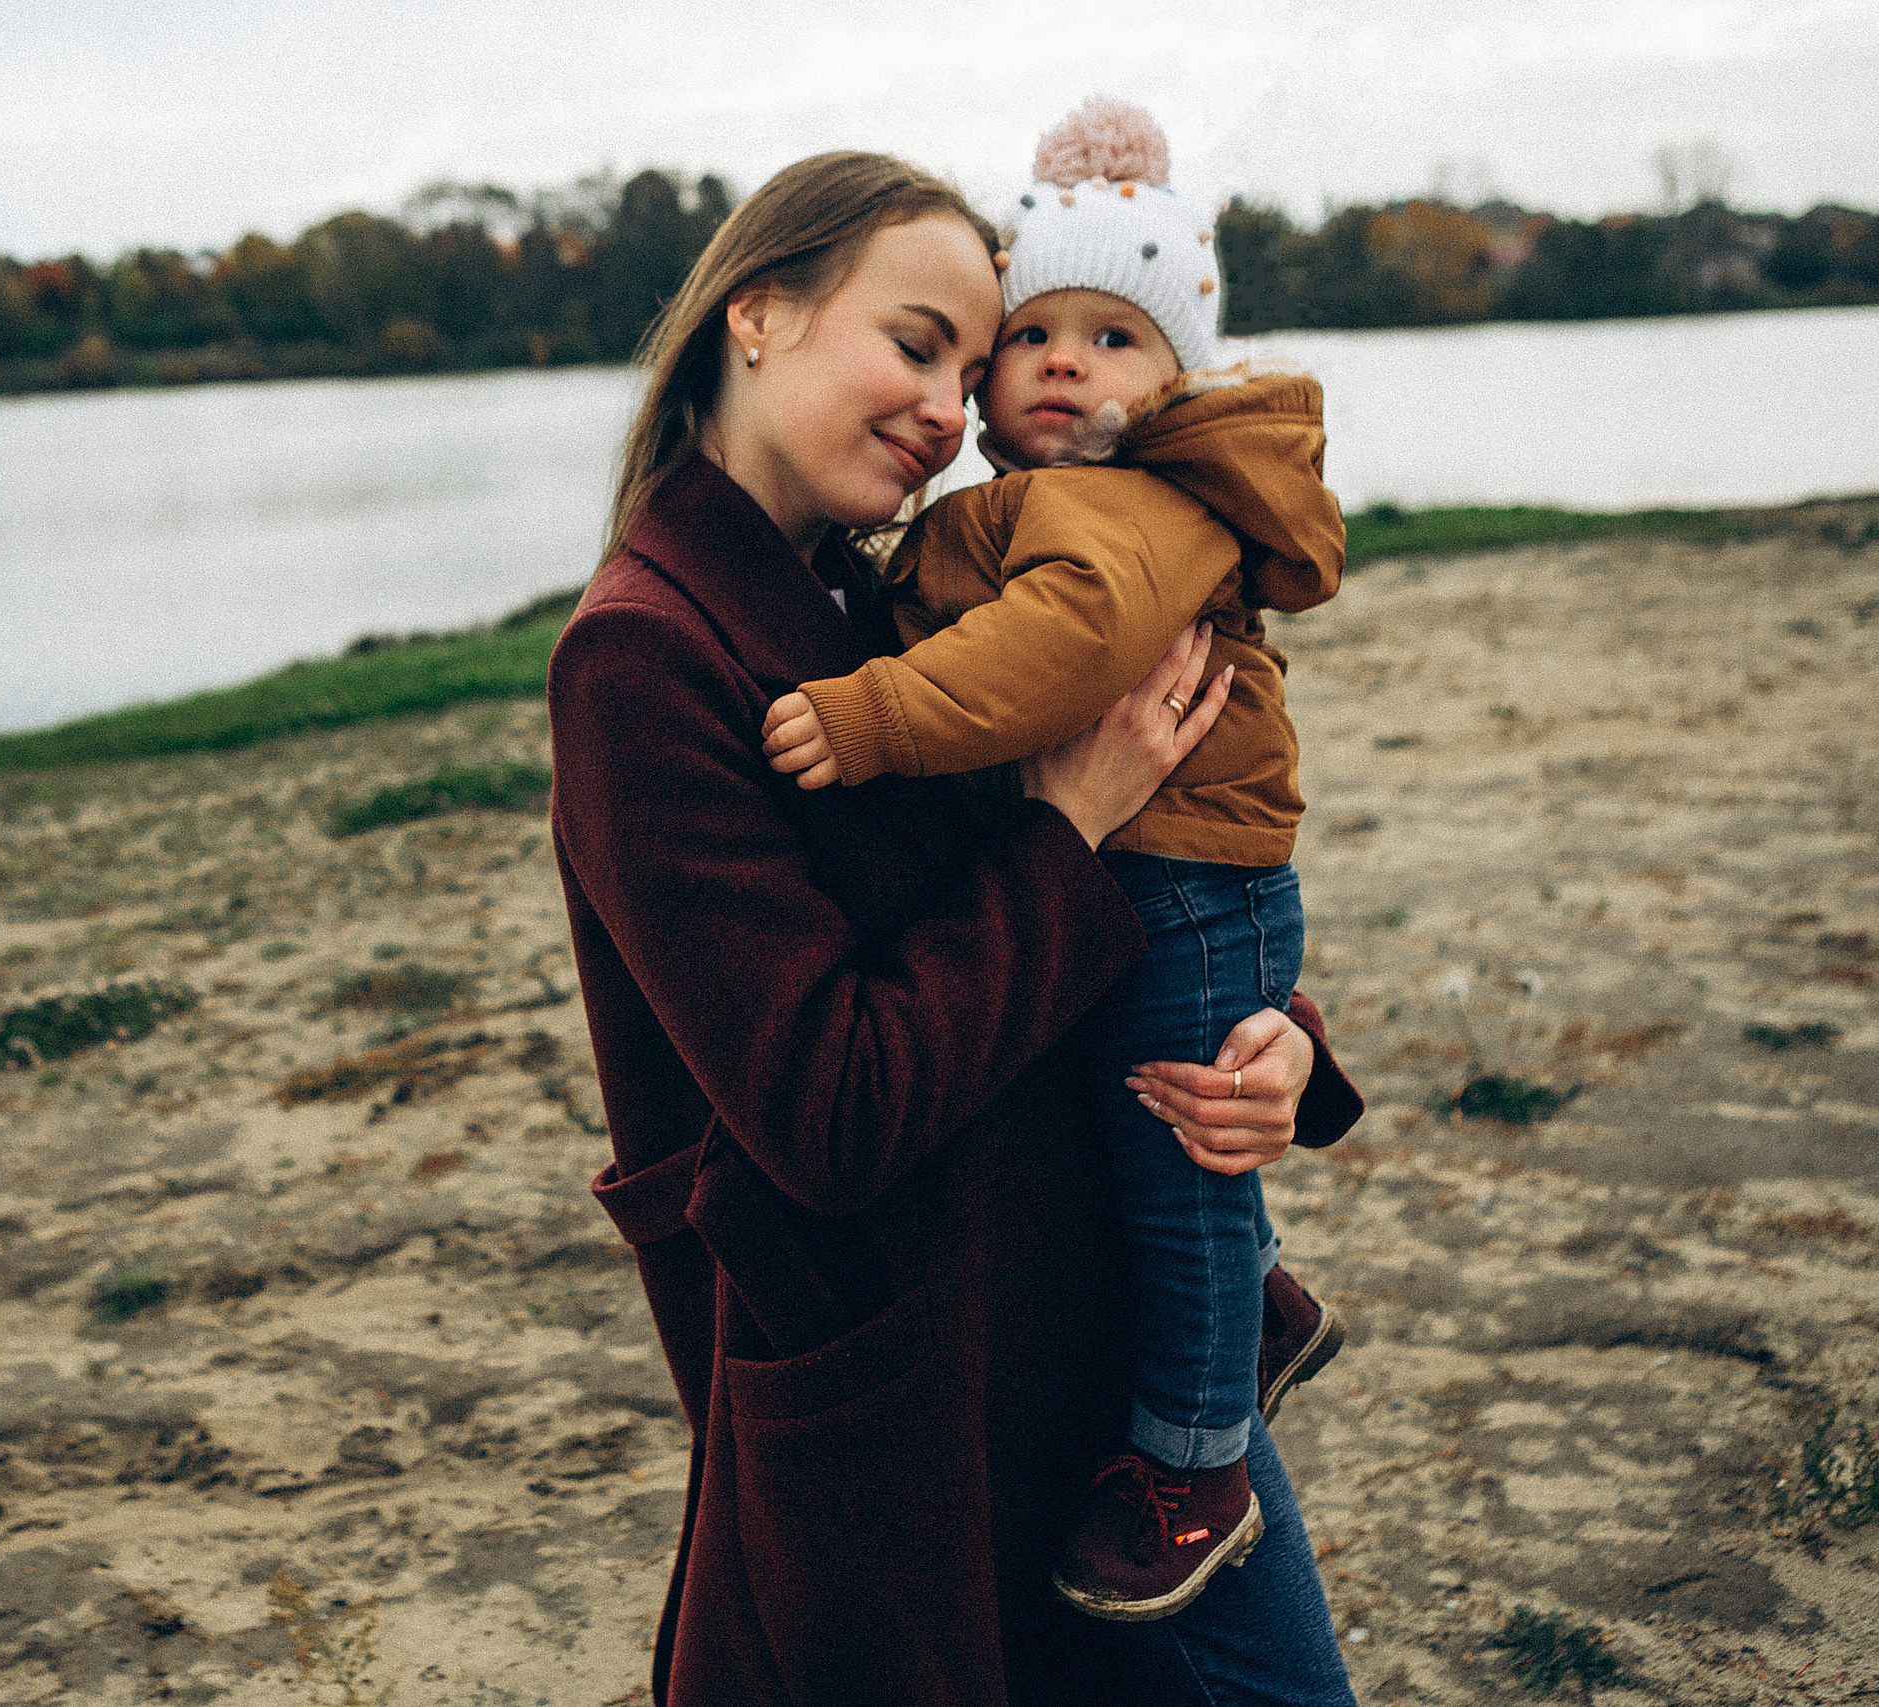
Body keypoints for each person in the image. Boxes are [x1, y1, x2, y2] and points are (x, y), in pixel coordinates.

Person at [547, 148, 1363, 1706]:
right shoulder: (640, 661)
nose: (950, 405)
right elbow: (827, 1108)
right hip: (915, 1404)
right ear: (759, 313)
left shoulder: (889, 600)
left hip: (1113, 1358)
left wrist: (1277, 1055)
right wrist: (1069, 815)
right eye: (915, 345)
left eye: (965, 366)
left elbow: (1143, 892)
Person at [755, 98, 1350, 1623]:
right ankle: (1252, 1315)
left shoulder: (1128, 512)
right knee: (1165, 1129)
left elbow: (1059, 649)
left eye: (1116, 338)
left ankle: (1198, 1458)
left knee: (1176, 1146)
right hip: (1159, 884)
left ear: (1174, 385)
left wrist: (876, 711)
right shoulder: (1022, 503)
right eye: (1030, 339)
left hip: (1184, 881)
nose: (1062, 364)